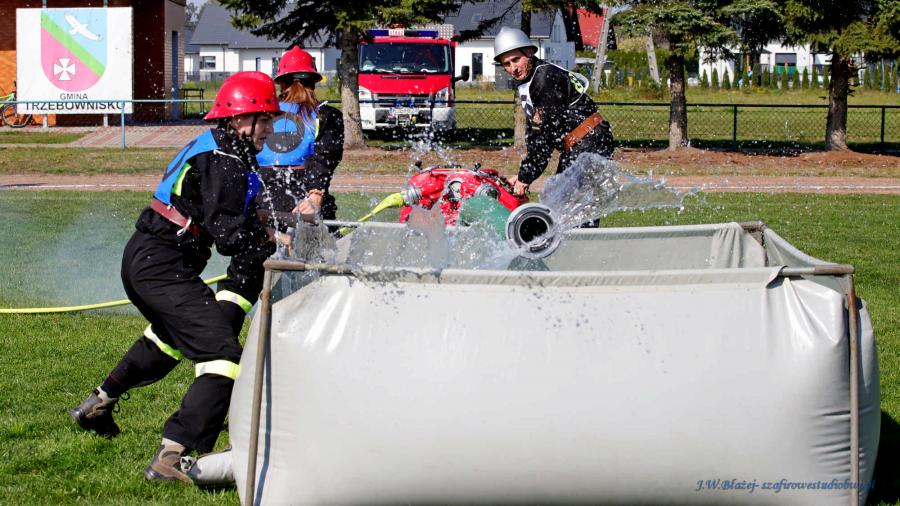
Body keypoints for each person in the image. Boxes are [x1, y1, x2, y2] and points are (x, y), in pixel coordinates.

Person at [68, 71, 290, 484]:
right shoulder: (224, 160)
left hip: (147, 257)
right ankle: (172, 456)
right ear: (239, 118)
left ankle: (98, 404)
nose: (269, 128)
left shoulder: (219, 148)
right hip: (161, 264)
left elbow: (215, 208)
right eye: (264, 118)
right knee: (223, 355)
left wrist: (269, 218)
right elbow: (229, 237)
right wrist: (274, 238)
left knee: (168, 338)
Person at [493, 26, 614, 198]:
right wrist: (522, 175)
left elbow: (544, 135)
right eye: (507, 64)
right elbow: (535, 132)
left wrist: (525, 178)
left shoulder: (544, 79)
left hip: (590, 142)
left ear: (529, 52)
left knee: (567, 204)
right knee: (560, 201)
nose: (513, 68)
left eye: (516, 59)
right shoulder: (531, 78)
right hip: (582, 143)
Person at [256, 46, 343, 224]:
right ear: (314, 82)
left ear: (281, 84)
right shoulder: (327, 115)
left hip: (263, 197)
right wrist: (316, 192)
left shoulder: (260, 114)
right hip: (306, 196)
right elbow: (325, 158)